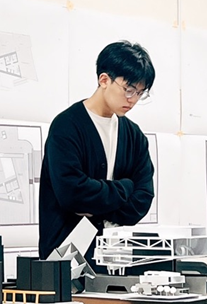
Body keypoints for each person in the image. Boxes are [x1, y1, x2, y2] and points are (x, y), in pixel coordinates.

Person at [38, 40, 155, 268]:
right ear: (104, 80)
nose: (133, 99)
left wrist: (97, 205)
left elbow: (142, 200)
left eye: (140, 93)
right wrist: (126, 187)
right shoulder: (66, 126)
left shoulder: (134, 135)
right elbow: (72, 194)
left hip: (117, 256)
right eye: (128, 89)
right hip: (66, 257)